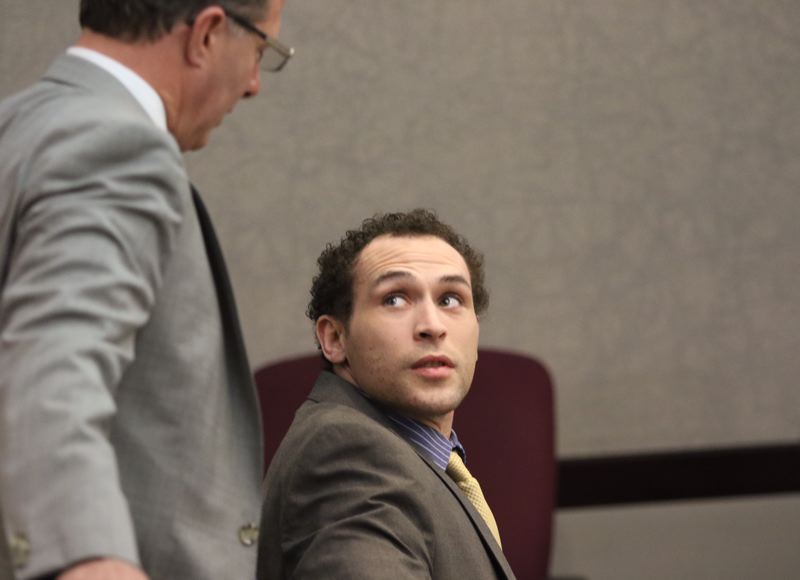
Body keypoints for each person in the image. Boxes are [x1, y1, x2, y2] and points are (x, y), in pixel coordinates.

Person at [0, 1, 293, 579]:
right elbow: (55, 364)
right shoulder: (120, 147)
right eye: (261, 49)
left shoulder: (16, 127)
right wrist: (86, 554)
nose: (254, 84)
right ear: (207, 33)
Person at [257, 209, 516, 579]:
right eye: (395, 299)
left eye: (450, 299)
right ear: (335, 338)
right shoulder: (347, 454)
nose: (432, 326)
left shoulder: (411, 454)